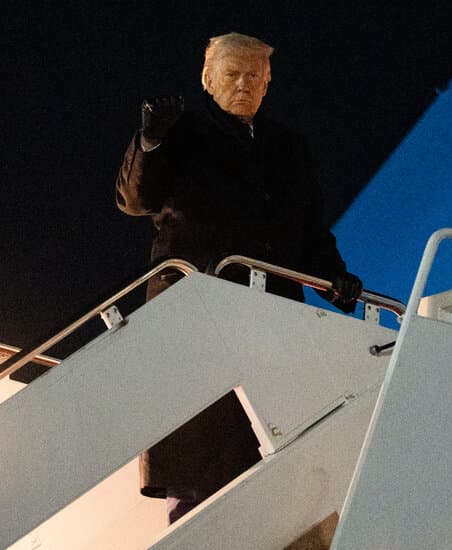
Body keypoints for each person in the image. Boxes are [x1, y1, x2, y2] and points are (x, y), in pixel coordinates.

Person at [115, 32, 363, 523]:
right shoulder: (179, 134)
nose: (244, 84)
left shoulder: (289, 147)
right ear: (207, 80)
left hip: (274, 316)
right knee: (201, 456)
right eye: (232, 74)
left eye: (255, 75)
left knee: (281, 454)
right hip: (196, 314)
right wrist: (150, 141)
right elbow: (134, 200)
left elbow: (307, 230)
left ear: (269, 83)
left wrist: (334, 278)